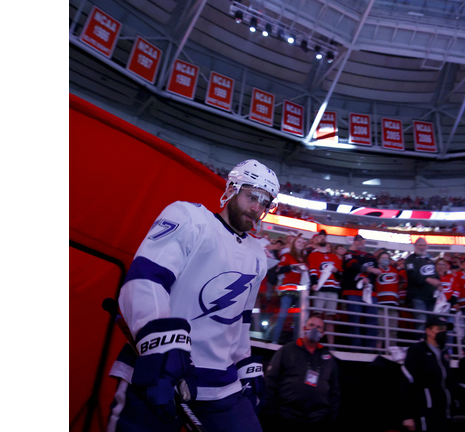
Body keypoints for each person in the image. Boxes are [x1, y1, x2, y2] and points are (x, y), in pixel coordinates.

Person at [107, 159, 279, 432]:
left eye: (265, 203)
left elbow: (239, 320)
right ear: (232, 189)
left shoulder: (258, 255)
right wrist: (161, 346)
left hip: (220, 382)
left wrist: (243, 361)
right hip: (160, 366)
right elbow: (144, 279)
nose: (258, 208)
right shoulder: (189, 217)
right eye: (253, 197)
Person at [261, 314, 340, 432]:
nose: (314, 329)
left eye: (318, 327)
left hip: (318, 421)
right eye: (311, 325)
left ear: (323, 333)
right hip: (286, 417)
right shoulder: (287, 350)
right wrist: (270, 411)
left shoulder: (328, 357)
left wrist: (331, 417)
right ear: (304, 328)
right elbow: (270, 380)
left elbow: (335, 390)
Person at [400, 315, 453, 432]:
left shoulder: (445, 353)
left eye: (444, 329)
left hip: (445, 413)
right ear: (428, 330)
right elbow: (405, 382)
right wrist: (407, 415)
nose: (443, 332)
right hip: (426, 413)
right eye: (439, 329)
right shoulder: (417, 350)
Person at [341, 234, 382, 349]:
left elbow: (376, 273)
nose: (360, 243)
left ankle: (371, 348)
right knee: (354, 319)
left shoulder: (371, 257)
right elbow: (351, 265)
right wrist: (369, 270)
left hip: (370, 291)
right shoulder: (348, 254)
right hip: (353, 291)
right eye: (357, 241)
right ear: (353, 242)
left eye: (362, 240)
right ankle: (356, 347)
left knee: (372, 320)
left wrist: (368, 278)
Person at [269, 235, 308, 344]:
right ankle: (274, 341)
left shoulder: (304, 259)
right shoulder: (287, 255)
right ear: (294, 243)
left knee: (298, 320)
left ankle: (296, 344)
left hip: (300, 292)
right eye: (298, 241)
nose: (300, 243)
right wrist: (292, 267)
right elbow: (279, 269)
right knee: (282, 316)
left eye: (302, 242)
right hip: (288, 290)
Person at [308, 232, 343, 344]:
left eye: (324, 237)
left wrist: (336, 271)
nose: (322, 239)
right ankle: (313, 341)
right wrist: (314, 283)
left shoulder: (334, 257)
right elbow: (312, 270)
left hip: (333, 289)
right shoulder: (313, 255)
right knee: (317, 316)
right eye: (320, 237)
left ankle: (330, 345)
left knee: (330, 318)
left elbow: (340, 274)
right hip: (320, 288)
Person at [404, 238, 442, 331]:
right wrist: (427, 279)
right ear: (415, 246)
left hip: (431, 296)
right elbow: (412, 275)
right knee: (421, 322)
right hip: (418, 296)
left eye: (424, 245)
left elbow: (435, 275)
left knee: (431, 323)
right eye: (420, 245)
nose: (422, 247)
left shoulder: (429, 260)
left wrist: (439, 284)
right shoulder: (410, 259)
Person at [374, 251, 404, 347]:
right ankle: (378, 352)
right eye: (382, 258)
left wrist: (395, 292)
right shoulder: (375, 270)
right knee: (380, 330)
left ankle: (391, 352)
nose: (385, 260)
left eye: (386, 258)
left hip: (393, 304)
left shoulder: (395, 271)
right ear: (378, 260)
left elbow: (402, 281)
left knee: (393, 330)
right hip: (379, 304)